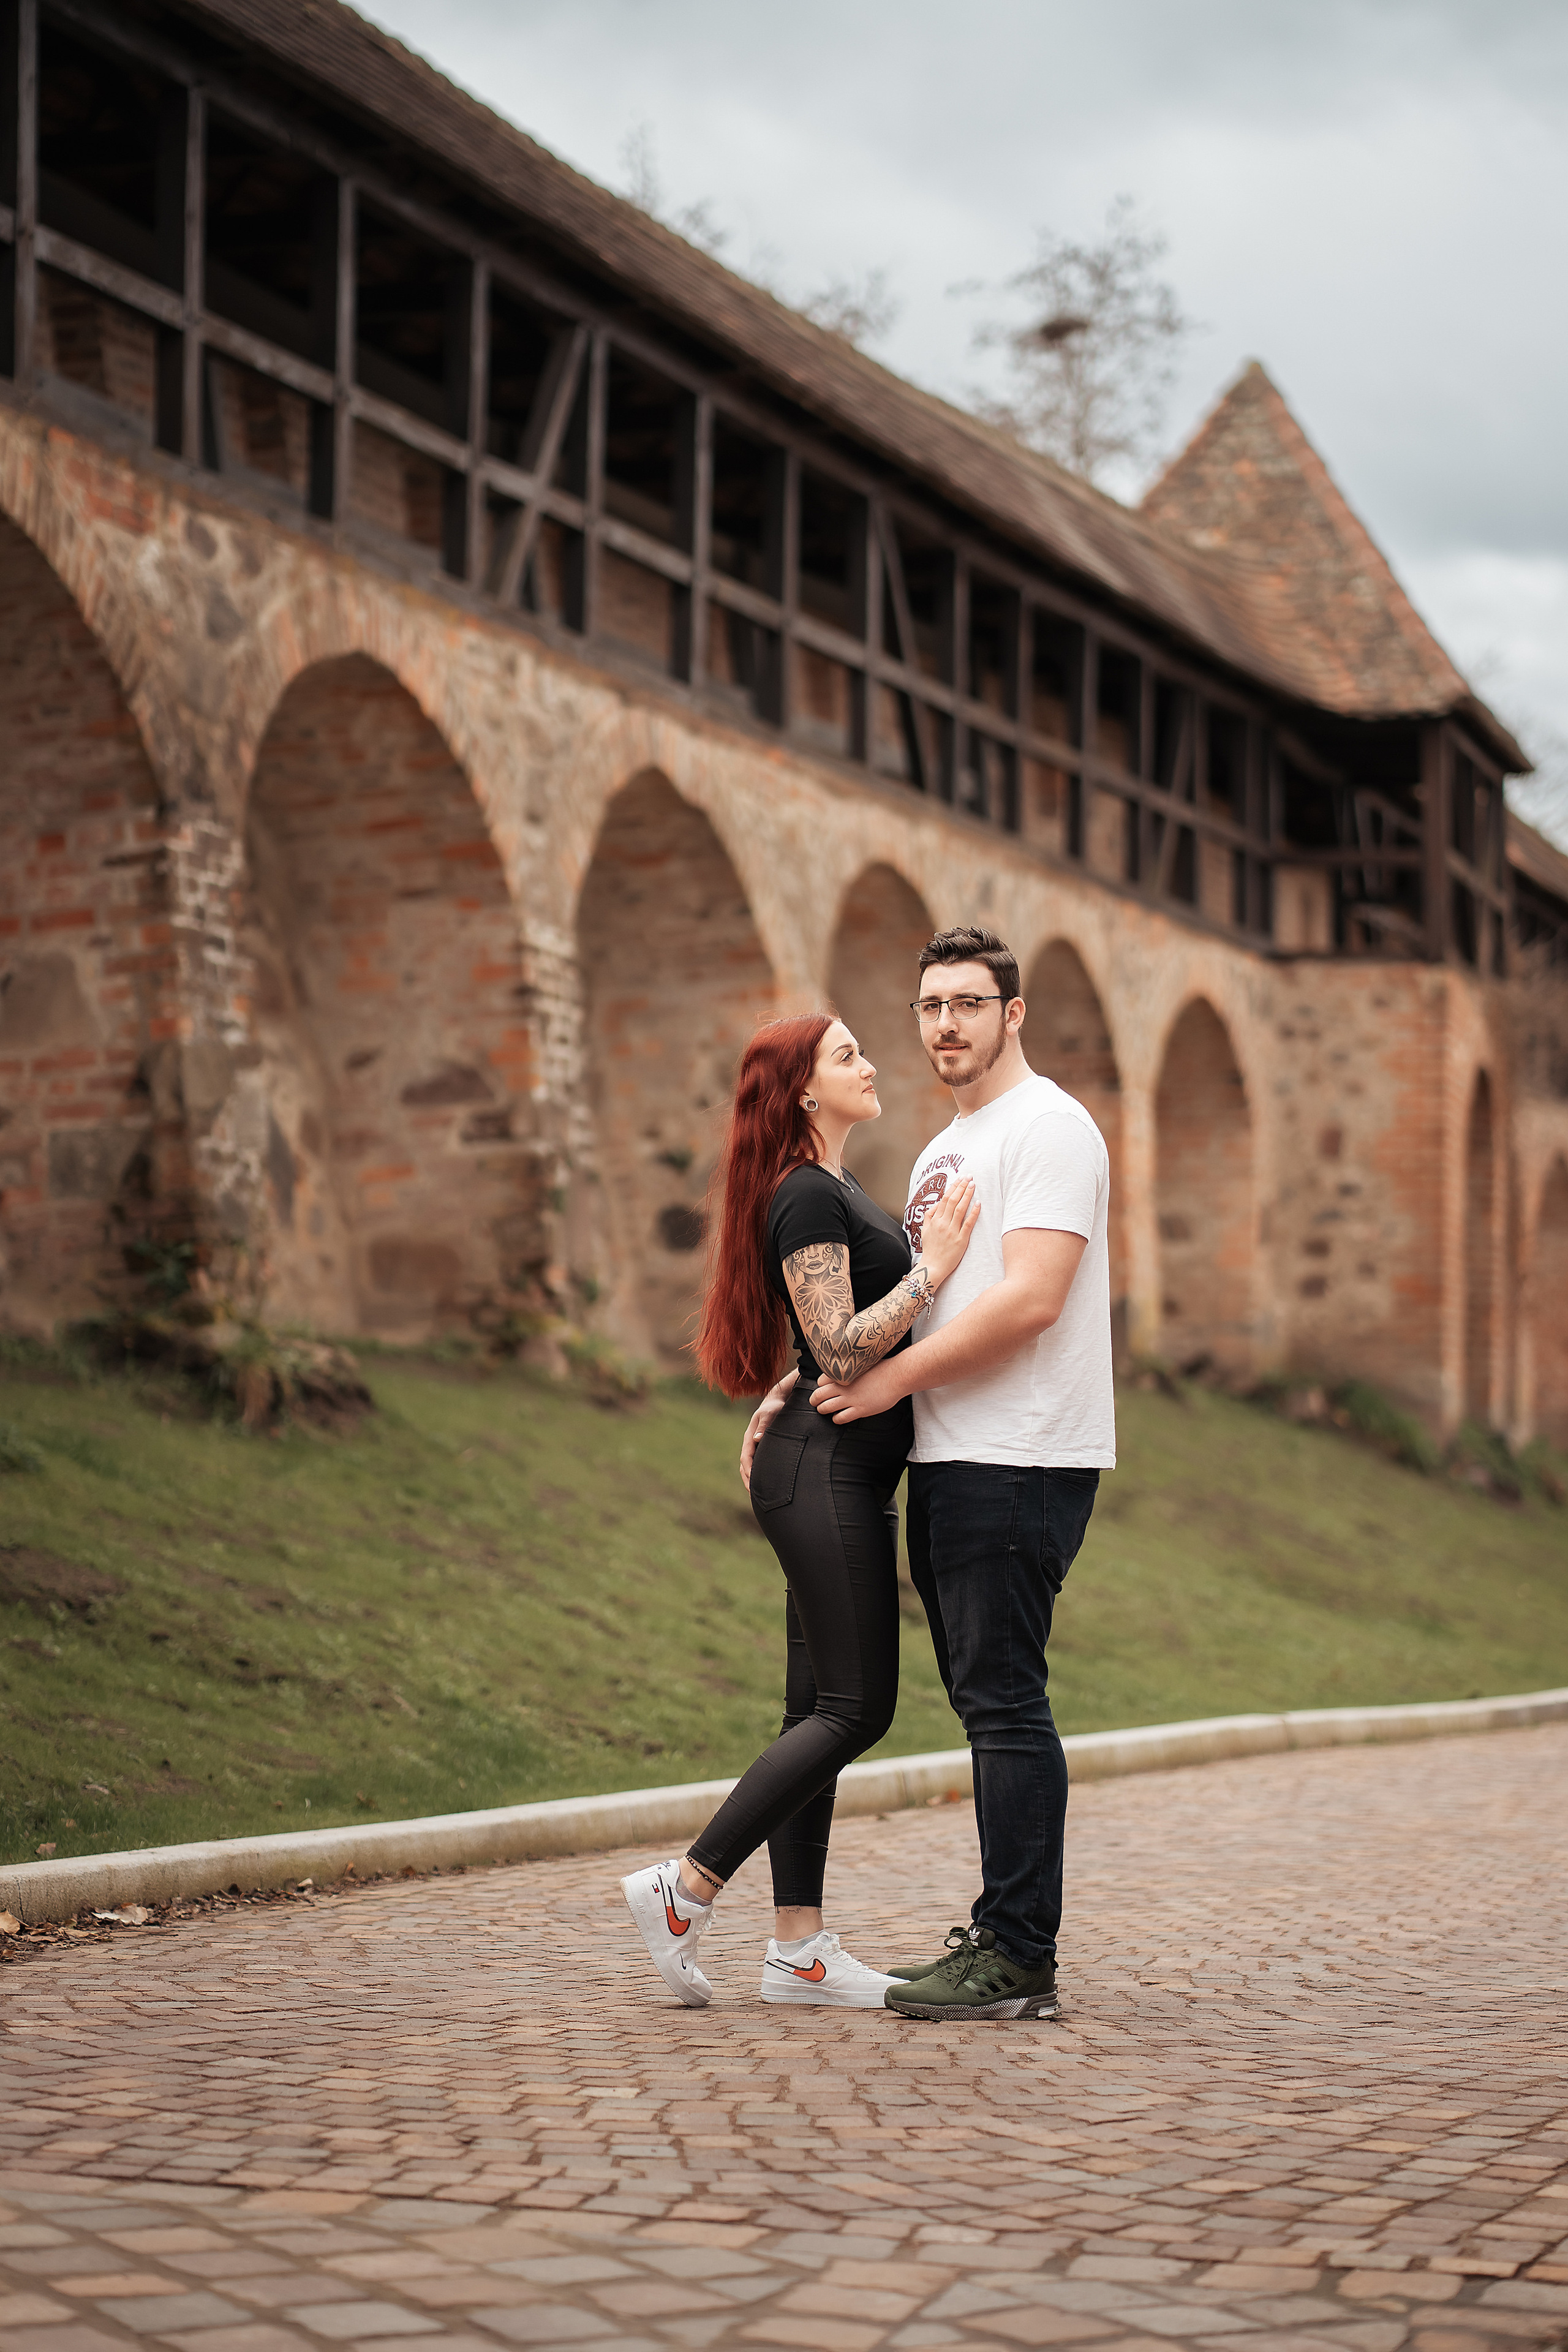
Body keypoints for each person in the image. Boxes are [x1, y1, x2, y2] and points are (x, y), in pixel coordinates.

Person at [742, 925, 1114, 2022]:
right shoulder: (940, 1152)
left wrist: (891, 1384)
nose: (947, 1024)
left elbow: (1033, 1297)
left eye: (969, 1003)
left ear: (1013, 1014)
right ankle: (1000, 1938)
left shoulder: (1050, 1126)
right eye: (931, 1006)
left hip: (1022, 1453)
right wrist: (799, 1381)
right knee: (983, 1702)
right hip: (949, 1458)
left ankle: (1018, 1952)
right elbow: (912, 1307)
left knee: (1004, 1703)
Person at [620, 1010, 978, 2010]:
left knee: (814, 1710)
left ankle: (798, 1952)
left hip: (835, 1473)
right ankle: (688, 1885)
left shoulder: (831, 1186)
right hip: (823, 1477)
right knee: (856, 1709)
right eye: (848, 1054)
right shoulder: (807, 1191)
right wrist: (934, 1267)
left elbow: (818, 1345)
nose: (872, 1064)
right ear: (806, 1090)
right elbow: (841, 1347)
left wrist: (787, 1385)